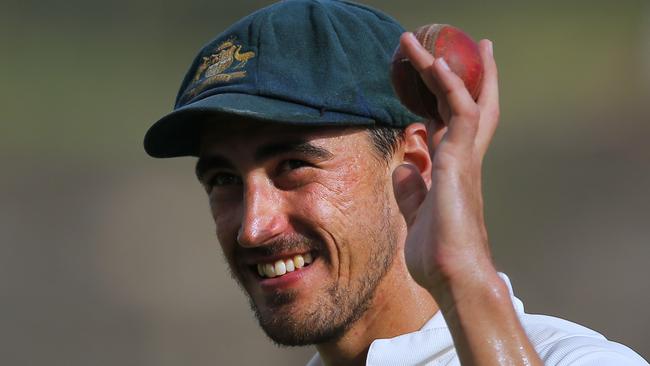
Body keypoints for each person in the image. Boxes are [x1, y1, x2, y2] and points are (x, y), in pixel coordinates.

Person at [143, 1, 649, 365]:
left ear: (415, 162)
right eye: (225, 178)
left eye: (294, 165)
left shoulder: (575, 359)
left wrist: (462, 278)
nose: (253, 228)